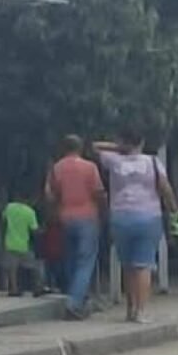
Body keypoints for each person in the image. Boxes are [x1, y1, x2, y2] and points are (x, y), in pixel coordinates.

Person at [94, 129, 177, 323]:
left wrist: (120, 147)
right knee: (144, 265)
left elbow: (94, 146)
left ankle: (130, 309)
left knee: (128, 266)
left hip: (121, 217)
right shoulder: (153, 162)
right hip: (149, 217)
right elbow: (164, 187)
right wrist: (174, 209)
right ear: (142, 142)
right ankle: (140, 311)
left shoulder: (114, 161)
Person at [46, 135, 106, 319]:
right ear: (80, 148)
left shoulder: (56, 168)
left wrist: (55, 213)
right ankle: (74, 302)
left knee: (71, 260)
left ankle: (77, 296)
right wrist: (104, 212)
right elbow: (98, 192)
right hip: (88, 217)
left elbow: (50, 195)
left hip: (65, 218)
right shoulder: (89, 167)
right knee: (85, 262)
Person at [1, 190, 44, 297]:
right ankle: (37, 288)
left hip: (10, 243)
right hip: (23, 245)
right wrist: (43, 230)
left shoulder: (9, 207)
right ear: (29, 199)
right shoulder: (30, 212)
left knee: (12, 268)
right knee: (33, 267)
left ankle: (14, 289)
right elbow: (34, 230)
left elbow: (3, 221)